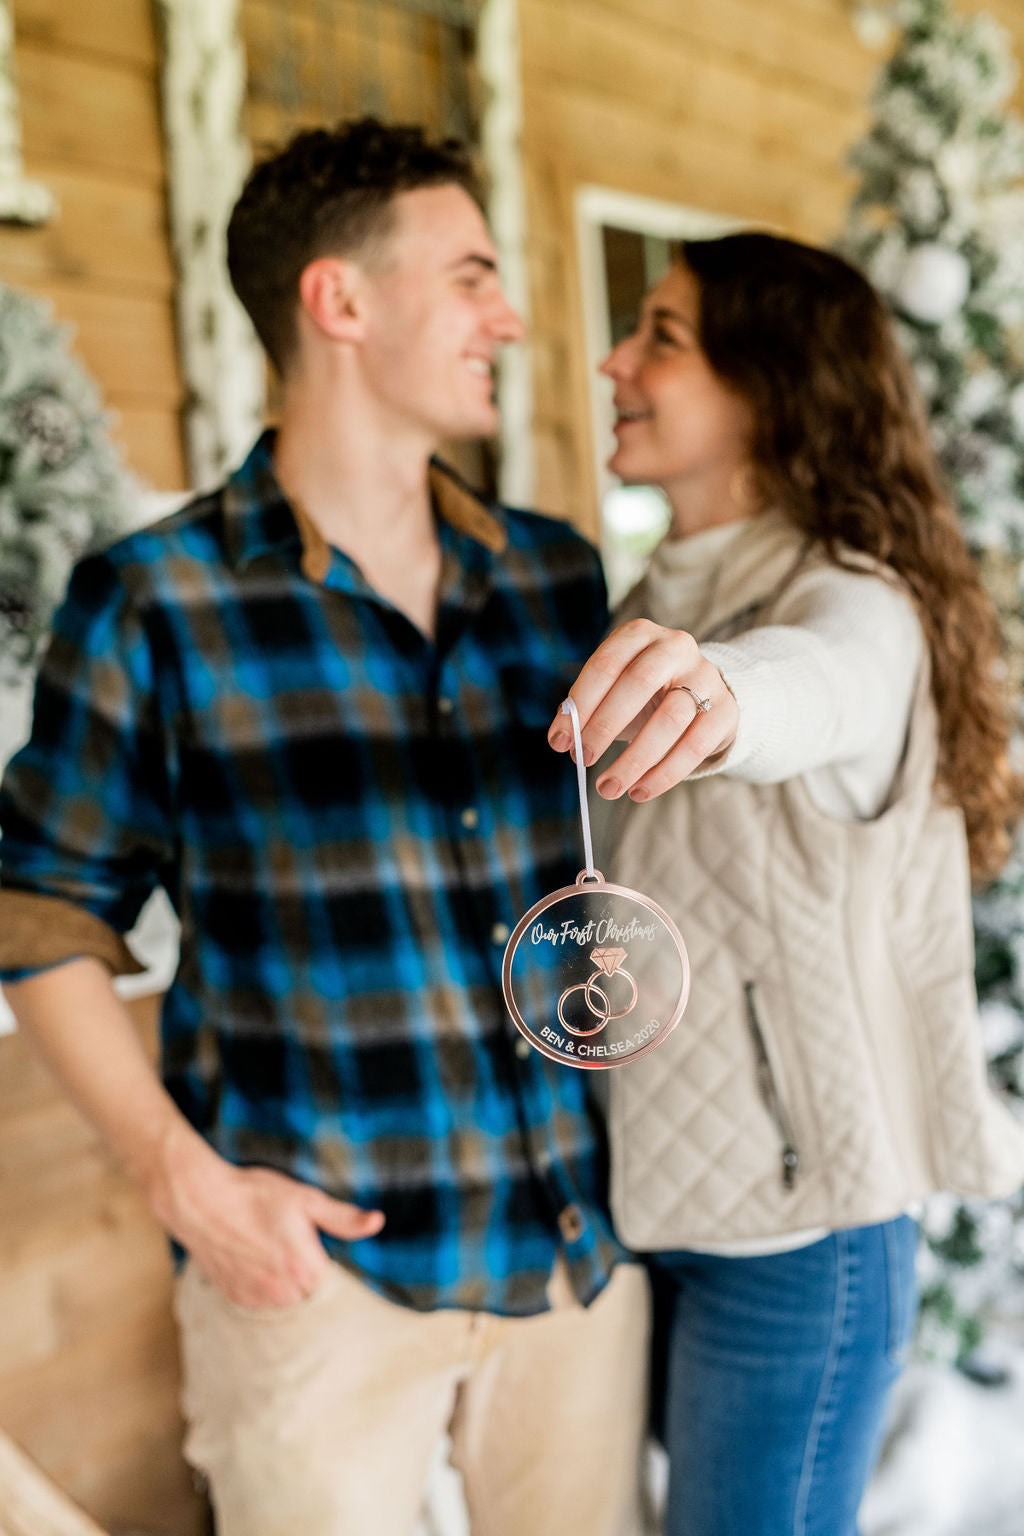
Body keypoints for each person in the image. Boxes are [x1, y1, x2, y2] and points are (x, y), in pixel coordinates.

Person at [0, 119, 649, 1536]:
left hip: (568, 1253)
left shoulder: (552, 575)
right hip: (310, 1280)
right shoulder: (156, 599)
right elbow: (36, 909)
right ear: (339, 301)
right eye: (471, 274)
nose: (513, 317)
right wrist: (185, 1179)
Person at [548, 231, 1024, 1536]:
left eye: (663, 338)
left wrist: (720, 692)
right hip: (655, 1207)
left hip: (803, 1251)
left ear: (770, 387)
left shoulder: (853, 599)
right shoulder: (650, 593)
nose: (614, 361)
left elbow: (821, 682)